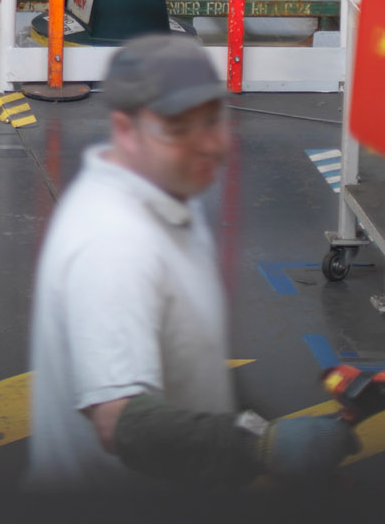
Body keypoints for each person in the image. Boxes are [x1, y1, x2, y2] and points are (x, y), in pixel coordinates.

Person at [25, 32, 356, 489]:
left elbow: (190, 361)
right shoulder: (114, 244)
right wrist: (262, 446)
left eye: (212, 121)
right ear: (125, 129)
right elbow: (118, 421)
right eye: (179, 128)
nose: (206, 144)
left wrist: (257, 425)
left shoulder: (169, 192)